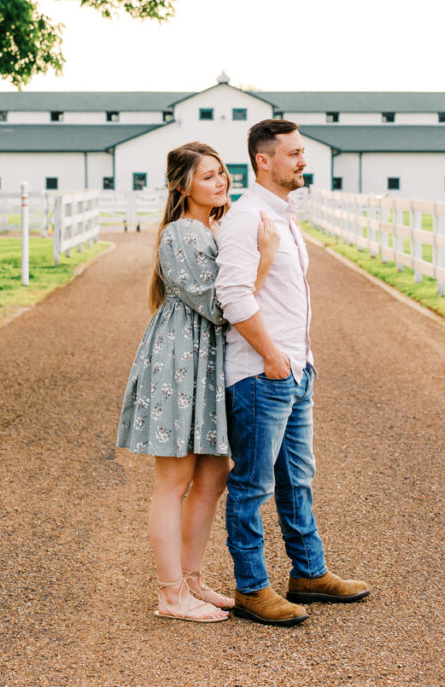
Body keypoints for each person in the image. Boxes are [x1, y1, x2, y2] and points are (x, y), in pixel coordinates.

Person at [215, 119, 370, 627]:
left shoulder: (284, 216)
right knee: (252, 486)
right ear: (264, 160)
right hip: (263, 374)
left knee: (297, 480)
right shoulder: (247, 219)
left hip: (294, 371)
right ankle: (252, 589)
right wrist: (275, 358)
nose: (304, 160)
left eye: (303, 152)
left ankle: (309, 573)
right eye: (294, 153)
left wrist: (298, 359)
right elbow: (233, 296)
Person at [117, 141, 278, 623]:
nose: (221, 181)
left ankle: (190, 579)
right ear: (182, 185)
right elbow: (219, 304)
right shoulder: (183, 233)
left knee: (212, 475)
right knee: (175, 480)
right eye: (208, 176)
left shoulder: (213, 228)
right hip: (179, 364)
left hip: (205, 364)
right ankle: (170, 595)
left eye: (222, 173)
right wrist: (264, 258)